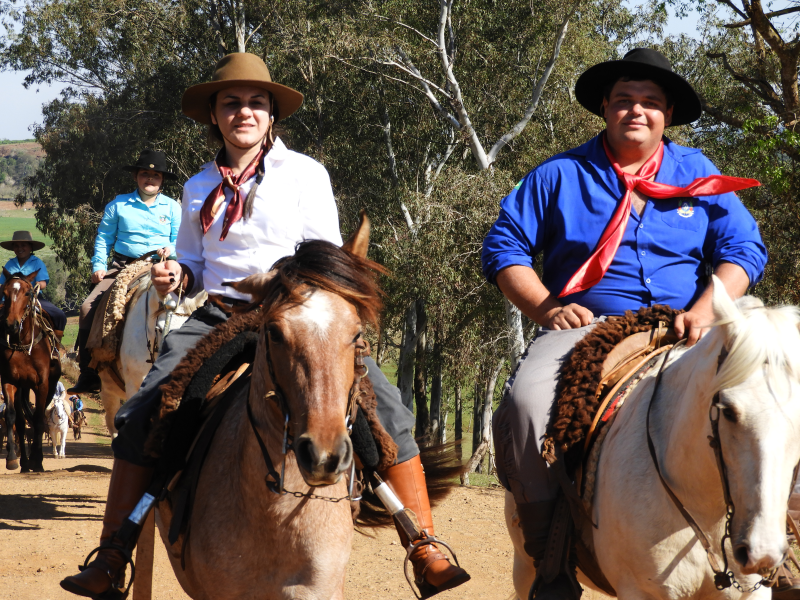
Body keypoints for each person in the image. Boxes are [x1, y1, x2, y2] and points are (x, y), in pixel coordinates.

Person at [61, 52, 469, 599]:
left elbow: (325, 260)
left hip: (297, 314)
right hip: (222, 316)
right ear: (214, 116)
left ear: (272, 113)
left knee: (387, 411)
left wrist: (281, 284)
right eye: (231, 103)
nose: (244, 112)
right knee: (143, 412)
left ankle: (423, 545)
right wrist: (177, 273)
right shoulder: (197, 187)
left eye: (256, 102)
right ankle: (112, 555)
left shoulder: (305, 174)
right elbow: (195, 260)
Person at [482, 48, 771, 600]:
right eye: (624, 100)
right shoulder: (560, 175)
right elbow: (504, 247)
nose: (636, 111)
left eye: (650, 102)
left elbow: (743, 250)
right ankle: (549, 557)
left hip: (687, 325)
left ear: (667, 115)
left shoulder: (699, 174)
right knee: (524, 404)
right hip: (586, 328)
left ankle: (780, 540)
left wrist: (706, 309)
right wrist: (547, 308)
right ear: (605, 109)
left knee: (771, 393)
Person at [68, 150, 181, 394]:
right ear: (135, 176)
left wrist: (171, 248)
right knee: (87, 308)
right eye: (145, 173)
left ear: (162, 179)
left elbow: (180, 239)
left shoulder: (173, 207)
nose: (150, 178)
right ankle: (89, 372)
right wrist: (99, 266)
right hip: (123, 267)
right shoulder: (118, 204)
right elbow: (103, 238)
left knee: (194, 303)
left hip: (162, 266)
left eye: (155, 175)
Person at [0, 230, 67, 339]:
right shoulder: (9, 264)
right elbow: (2, 283)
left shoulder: (37, 262)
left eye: (23, 245)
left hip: (33, 298)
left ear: (30, 247)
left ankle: (57, 344)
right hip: (10, 300)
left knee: (59, 315)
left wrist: (39, 284)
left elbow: (43, 282)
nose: (20, 248)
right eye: (16, 246)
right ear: (13, 248)